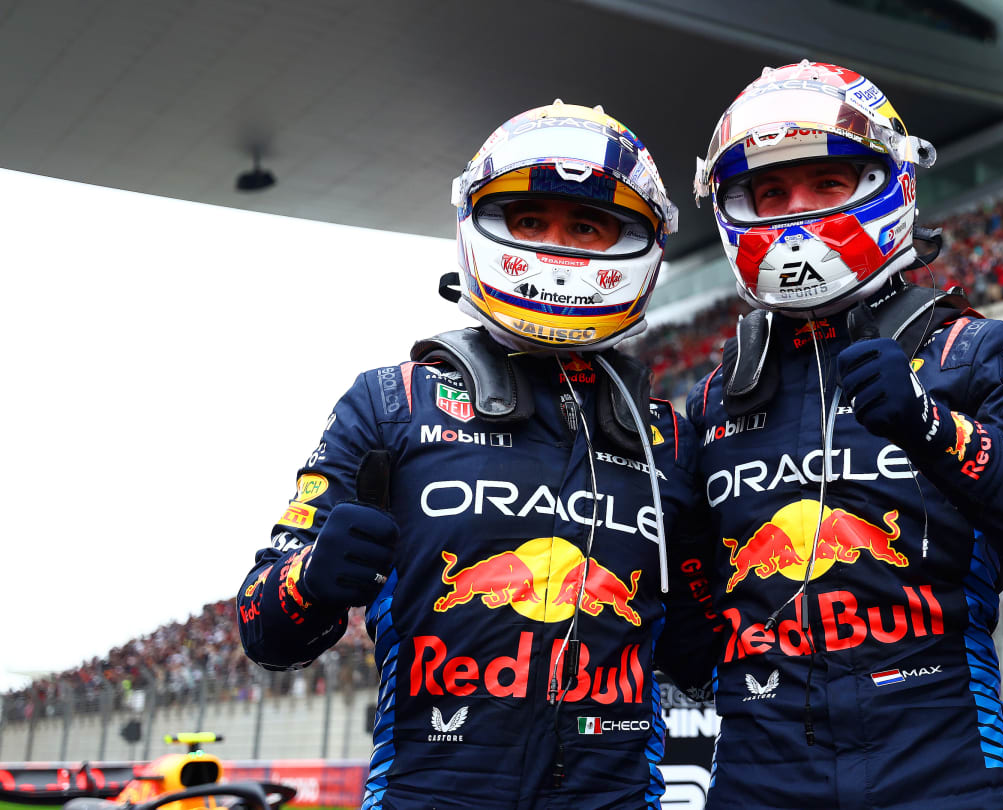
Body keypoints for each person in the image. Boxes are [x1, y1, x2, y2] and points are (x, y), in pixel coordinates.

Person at [235, 102, 715, 810]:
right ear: (482, 227)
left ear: (637, 246)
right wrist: (314, 577)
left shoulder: (669, 438)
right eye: (530, 221)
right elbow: (264, 629)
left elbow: (705, 658)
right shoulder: (390, 403)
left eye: (585, 226)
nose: (557, 245)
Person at [686, 61, 1003, 808]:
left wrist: (934, 430)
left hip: (942, 769)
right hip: (760, 777)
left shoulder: (973, 351)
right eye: (771, 191)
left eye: (827, 182)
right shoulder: (712, 398)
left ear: (892, 181)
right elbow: (687, 645)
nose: (797, 210)